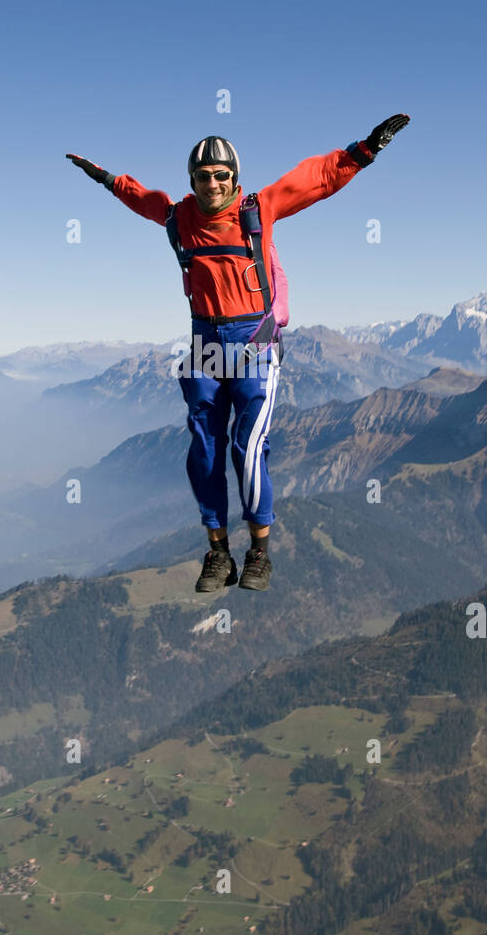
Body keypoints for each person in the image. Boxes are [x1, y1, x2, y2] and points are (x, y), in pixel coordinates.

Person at [67, 115, 409, 593]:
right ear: (192, 180)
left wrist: (365, 149)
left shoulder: (258, 208)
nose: (213, 183)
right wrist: (103, 177)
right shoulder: (177, 215)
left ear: (234, 178)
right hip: (204, 341)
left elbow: (315, 179)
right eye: (204, 176)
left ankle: (260, 554)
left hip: (254, 342)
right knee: (204, 450)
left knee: (247, 451)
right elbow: (137, 195)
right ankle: (218, 553)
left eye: (221, 175)